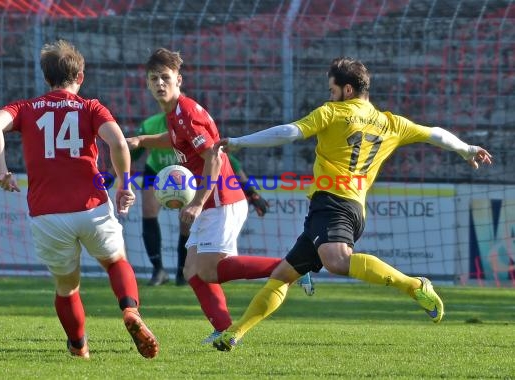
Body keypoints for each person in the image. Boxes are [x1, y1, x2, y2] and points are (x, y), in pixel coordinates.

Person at [211, 56, 493, 351]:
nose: (329, 95)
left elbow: (290, 132)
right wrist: (466, 148)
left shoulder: (333, 112)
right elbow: (434, 133)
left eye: (332, 89)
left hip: (334, 204)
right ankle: (234, 334)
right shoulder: (390, 122)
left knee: (338, 261)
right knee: (282, 276)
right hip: (349, 208)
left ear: (347, 90)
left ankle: (414, 285)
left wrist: (240, 141)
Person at [0, 39, 159, 359]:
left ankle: (78, 346)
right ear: (80, 76)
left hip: (48, 214)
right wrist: (123, 183)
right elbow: (118, 142)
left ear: (47, 78)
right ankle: (130, 311)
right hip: (91, 206)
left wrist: (1, 170)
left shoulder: (25, 108)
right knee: (116, 261)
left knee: (67, 286)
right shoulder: (91, 107)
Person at [127, 47, 313, 344]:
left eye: (165, 77)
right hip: (212, 200)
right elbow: (175, 139)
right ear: (148, 84)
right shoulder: (175, 114)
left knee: (211, 270)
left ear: (179, 79)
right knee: (192, 270)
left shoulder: (185, 112)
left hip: (220, 199)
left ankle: (294, 266)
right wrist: (142, 140)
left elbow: (213, 155)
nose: (159, 83)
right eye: (154, 79)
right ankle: (223, 326)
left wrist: (198, 203)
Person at [129, 111, 271, 286]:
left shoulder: (192, 129)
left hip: (188, 181)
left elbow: (227, 160)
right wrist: (114, 177)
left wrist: (251, 192)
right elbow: (130, 153)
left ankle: (182, 273)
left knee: (188, 229)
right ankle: (158, 270)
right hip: (157, 173)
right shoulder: (151, 124)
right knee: (148, 210)